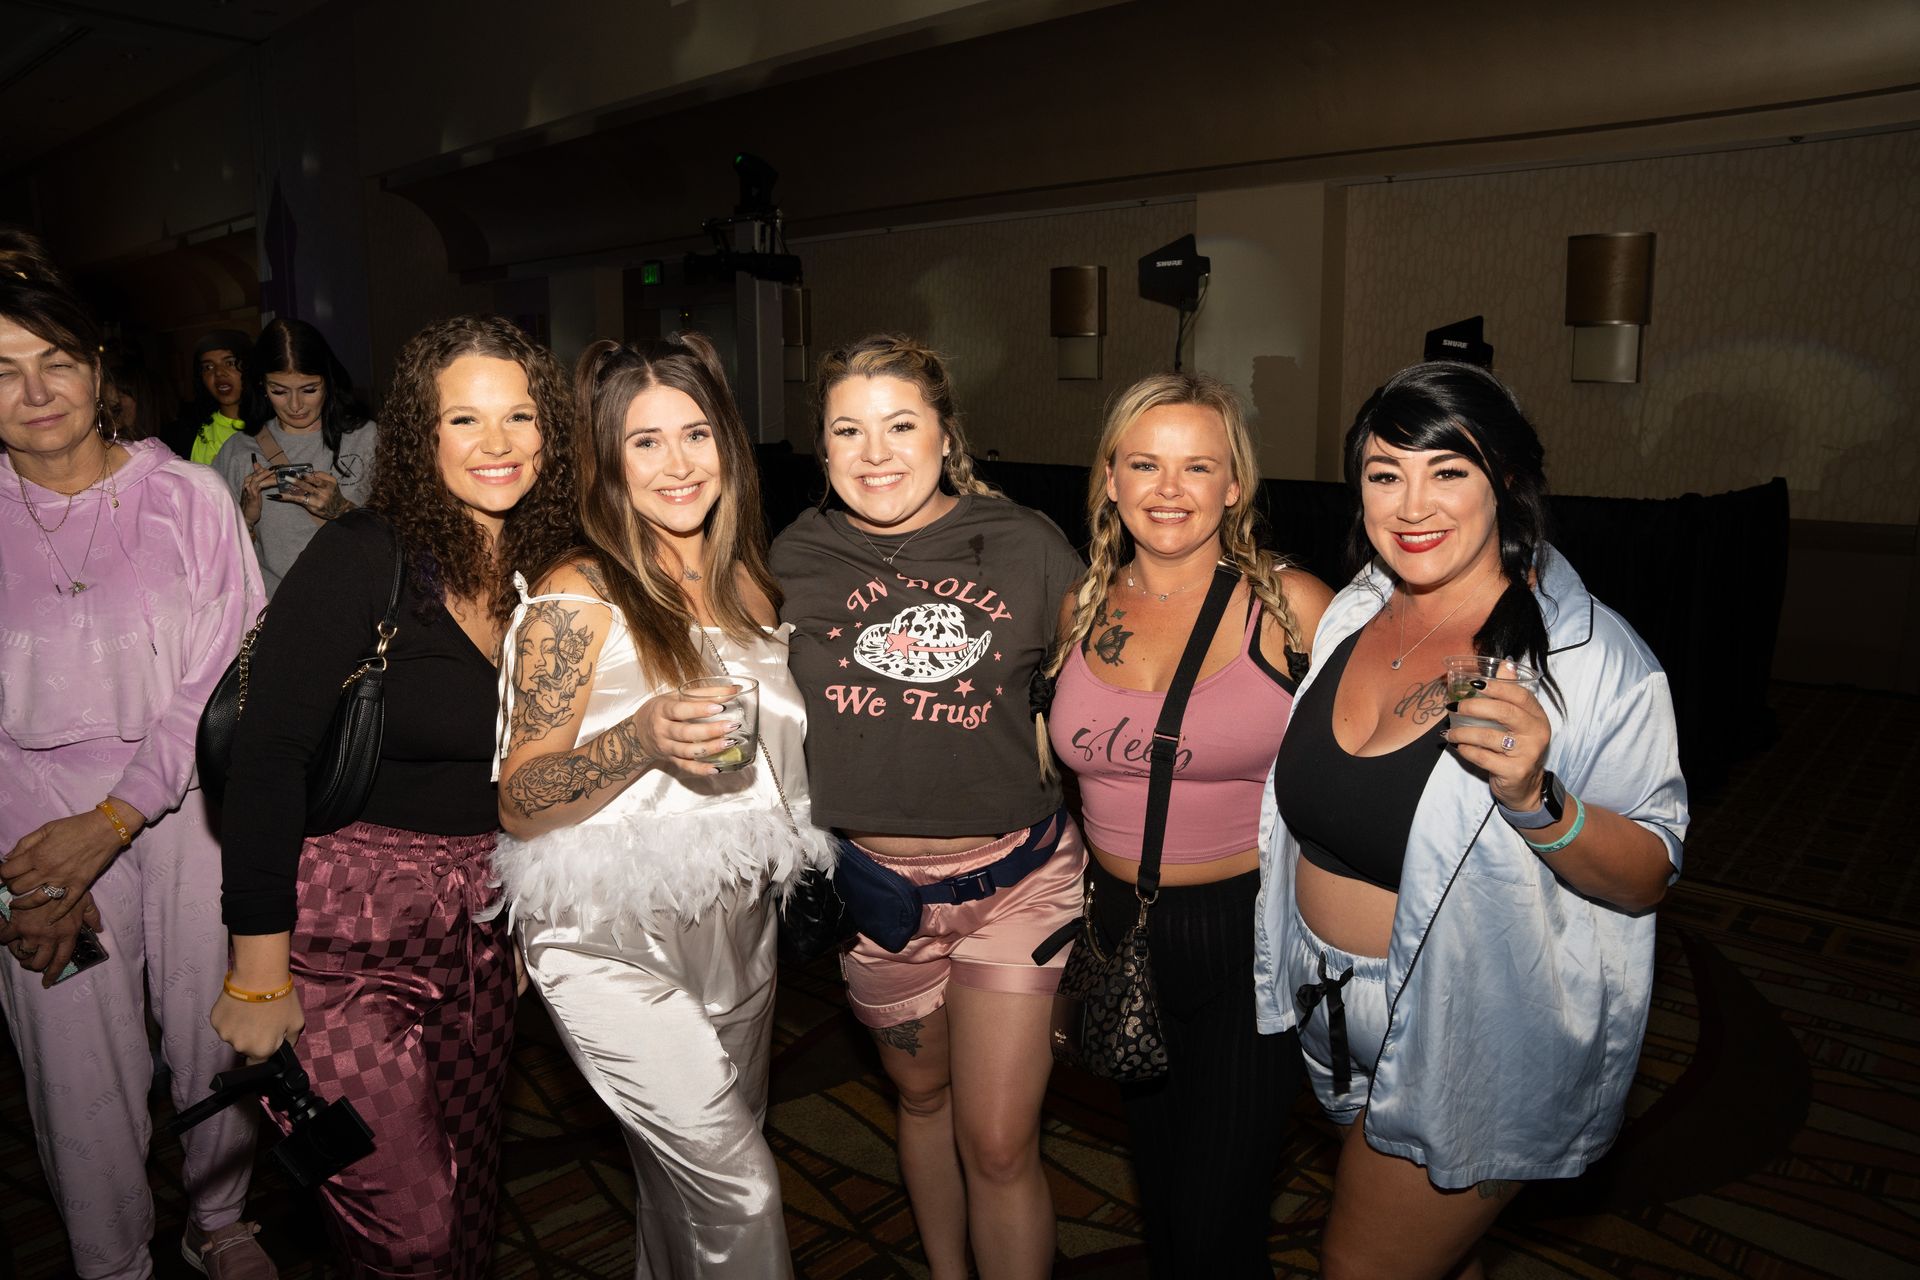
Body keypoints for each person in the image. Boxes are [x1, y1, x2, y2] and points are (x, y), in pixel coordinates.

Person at [1252, 361, 1688, 1280]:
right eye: (1384, 473)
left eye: (1448, 470)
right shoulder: (1353, 613)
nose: (1413, 504)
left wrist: (1541, 801)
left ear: (1511, 483)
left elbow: (1650, 871)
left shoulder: (1590, 658)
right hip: (1324, 1006)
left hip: (1471, 1027)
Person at [211, 315, 579, 1278]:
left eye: (520, 417)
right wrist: (258, 974)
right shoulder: (363, 553)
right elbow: (266, 757)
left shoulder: (550, 570)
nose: (496, 445)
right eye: (465, 420)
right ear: (423, 434)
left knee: (463, 1202)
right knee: (406, 1226)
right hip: (345, 937)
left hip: (484, 929)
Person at [496, 332, 834, 1277]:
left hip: (736, 925)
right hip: (605, 936)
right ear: (606, 462)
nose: (678, 464)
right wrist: (639, 737)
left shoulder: (750, 582)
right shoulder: (578, 591)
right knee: (742, 1188)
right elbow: (521, 800)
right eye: (645, 442)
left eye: (695, 434)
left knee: (681, 1179)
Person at [771, 334, 1087, 1280]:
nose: (875, 453)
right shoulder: (794, 556)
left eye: (901, 425)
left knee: (997, 1143)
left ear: (947, 435)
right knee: (919, 1103)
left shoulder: (1027, 544)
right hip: (877, 896)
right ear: (821, 450)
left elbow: (1111, 677)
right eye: (848, 431)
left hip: (1017, 884)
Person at [0, 247, 275, 1277]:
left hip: (189, 810)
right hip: (25, 840)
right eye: (1, 368)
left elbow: (222, 675)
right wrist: (30, 875)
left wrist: (114, 818)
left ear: (97, 363)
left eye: (55, 360)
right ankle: (112, 1258)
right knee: (76, 1067)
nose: (33, 392)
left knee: (215, 1025)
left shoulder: (190, 496)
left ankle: (222, 1216)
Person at [1042, 372, 1330, 1275]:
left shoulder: (1294, 610)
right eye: (1145, 465)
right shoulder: (1081, 609)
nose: (1169, 490)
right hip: (1120, 933)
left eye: (1197, 466)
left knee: (1216, 1220)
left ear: (1233, 485)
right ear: (1111, 481)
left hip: (1248, 937)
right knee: (1165, 1200)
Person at [211, 319, 378, 598]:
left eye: (309, 389)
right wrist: (244, 520)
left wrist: (343, 509)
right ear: (262, 386)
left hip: (358, 606)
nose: (296, 405)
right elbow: (214, 558)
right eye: (279, 391)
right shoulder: (237, 451)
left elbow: (405, 534)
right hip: (277, 613)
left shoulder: (367, 438)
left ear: (328, 381)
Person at [165, 329, 252, 464]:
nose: (219, 373)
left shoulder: (276, 423)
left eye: (230, 363)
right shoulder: (184, 433)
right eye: (208, 367)